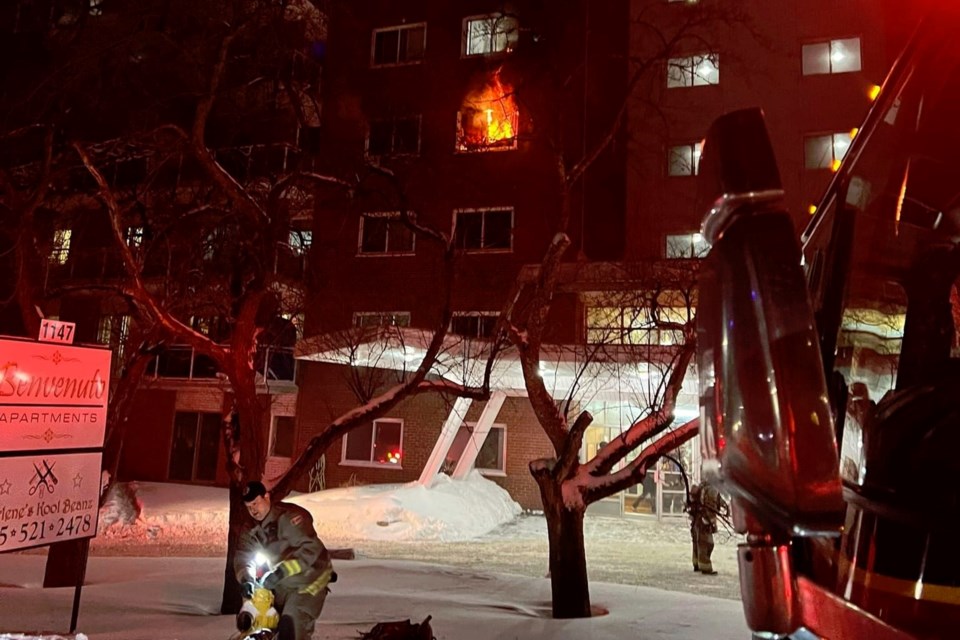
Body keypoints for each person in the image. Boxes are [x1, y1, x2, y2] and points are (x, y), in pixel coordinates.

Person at [234, 480, 334, 640]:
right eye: (248, 506)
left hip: (309, 580)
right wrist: (245, 578)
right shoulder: (250, 527)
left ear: (266, 497)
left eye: (255, 503)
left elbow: (310, 551)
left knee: (292, 623)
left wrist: (281, 572)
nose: (253, 510)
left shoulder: (288, 519)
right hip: (280, 582)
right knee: (258, 620)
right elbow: (242, 555)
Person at [686, 480, 728, 575]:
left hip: (697, 520)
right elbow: (712, 505)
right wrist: (710, 522)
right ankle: (706, 567)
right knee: (707, 544)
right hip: (704, 521)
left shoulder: (702, 487)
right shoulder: (712, 489)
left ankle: (696, 564)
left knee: (698, 543)